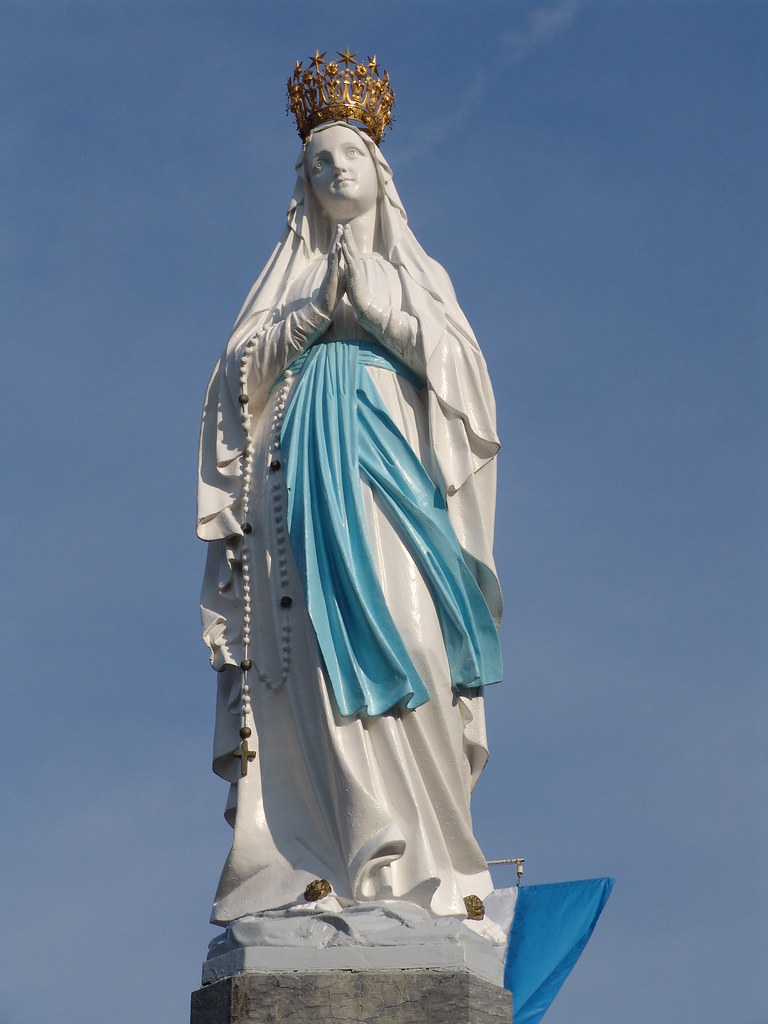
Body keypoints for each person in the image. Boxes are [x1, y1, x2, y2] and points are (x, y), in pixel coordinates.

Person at [197, 72, 503, 931]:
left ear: (378, 169)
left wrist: (383, 317)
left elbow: (471, 396)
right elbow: (230, 391)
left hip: (390, 484)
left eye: (347, 157)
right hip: (298, 497)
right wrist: (303, 325)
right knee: (316, 667)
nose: (332, 171)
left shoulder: (418, 275)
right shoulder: (283, 282)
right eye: (316, 161)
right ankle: (337, 862)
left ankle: (433, 865)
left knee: (412, 641)